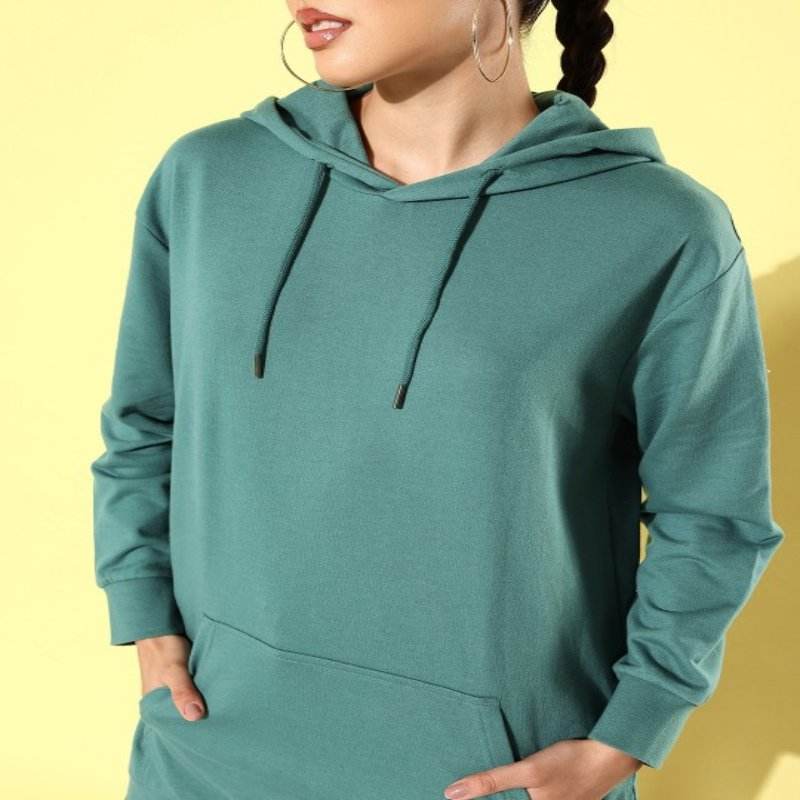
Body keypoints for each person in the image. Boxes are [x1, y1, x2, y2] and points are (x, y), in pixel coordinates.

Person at [90, 2, 785, 799]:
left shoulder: (657, 228)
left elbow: (714, 516)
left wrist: (629, 733)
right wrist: (145, 620)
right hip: (207, 758)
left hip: (485, 777)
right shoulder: (210, 177)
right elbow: (146, 426)